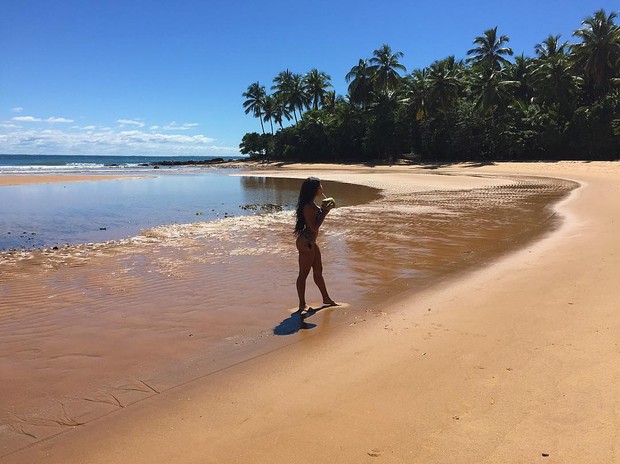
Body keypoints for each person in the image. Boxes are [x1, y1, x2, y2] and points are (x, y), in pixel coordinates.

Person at [294, 177, 337, 312]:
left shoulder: (312, 204)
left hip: (311, 242)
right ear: (314, 189)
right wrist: (324, 212)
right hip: (306, 243)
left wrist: (323, 210)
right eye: (320, 186)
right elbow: (313, 227)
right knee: (303, 274)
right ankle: (302, 304)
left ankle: (326, 298)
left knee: (318, 272)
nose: (322, 189)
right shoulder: (307, 206)